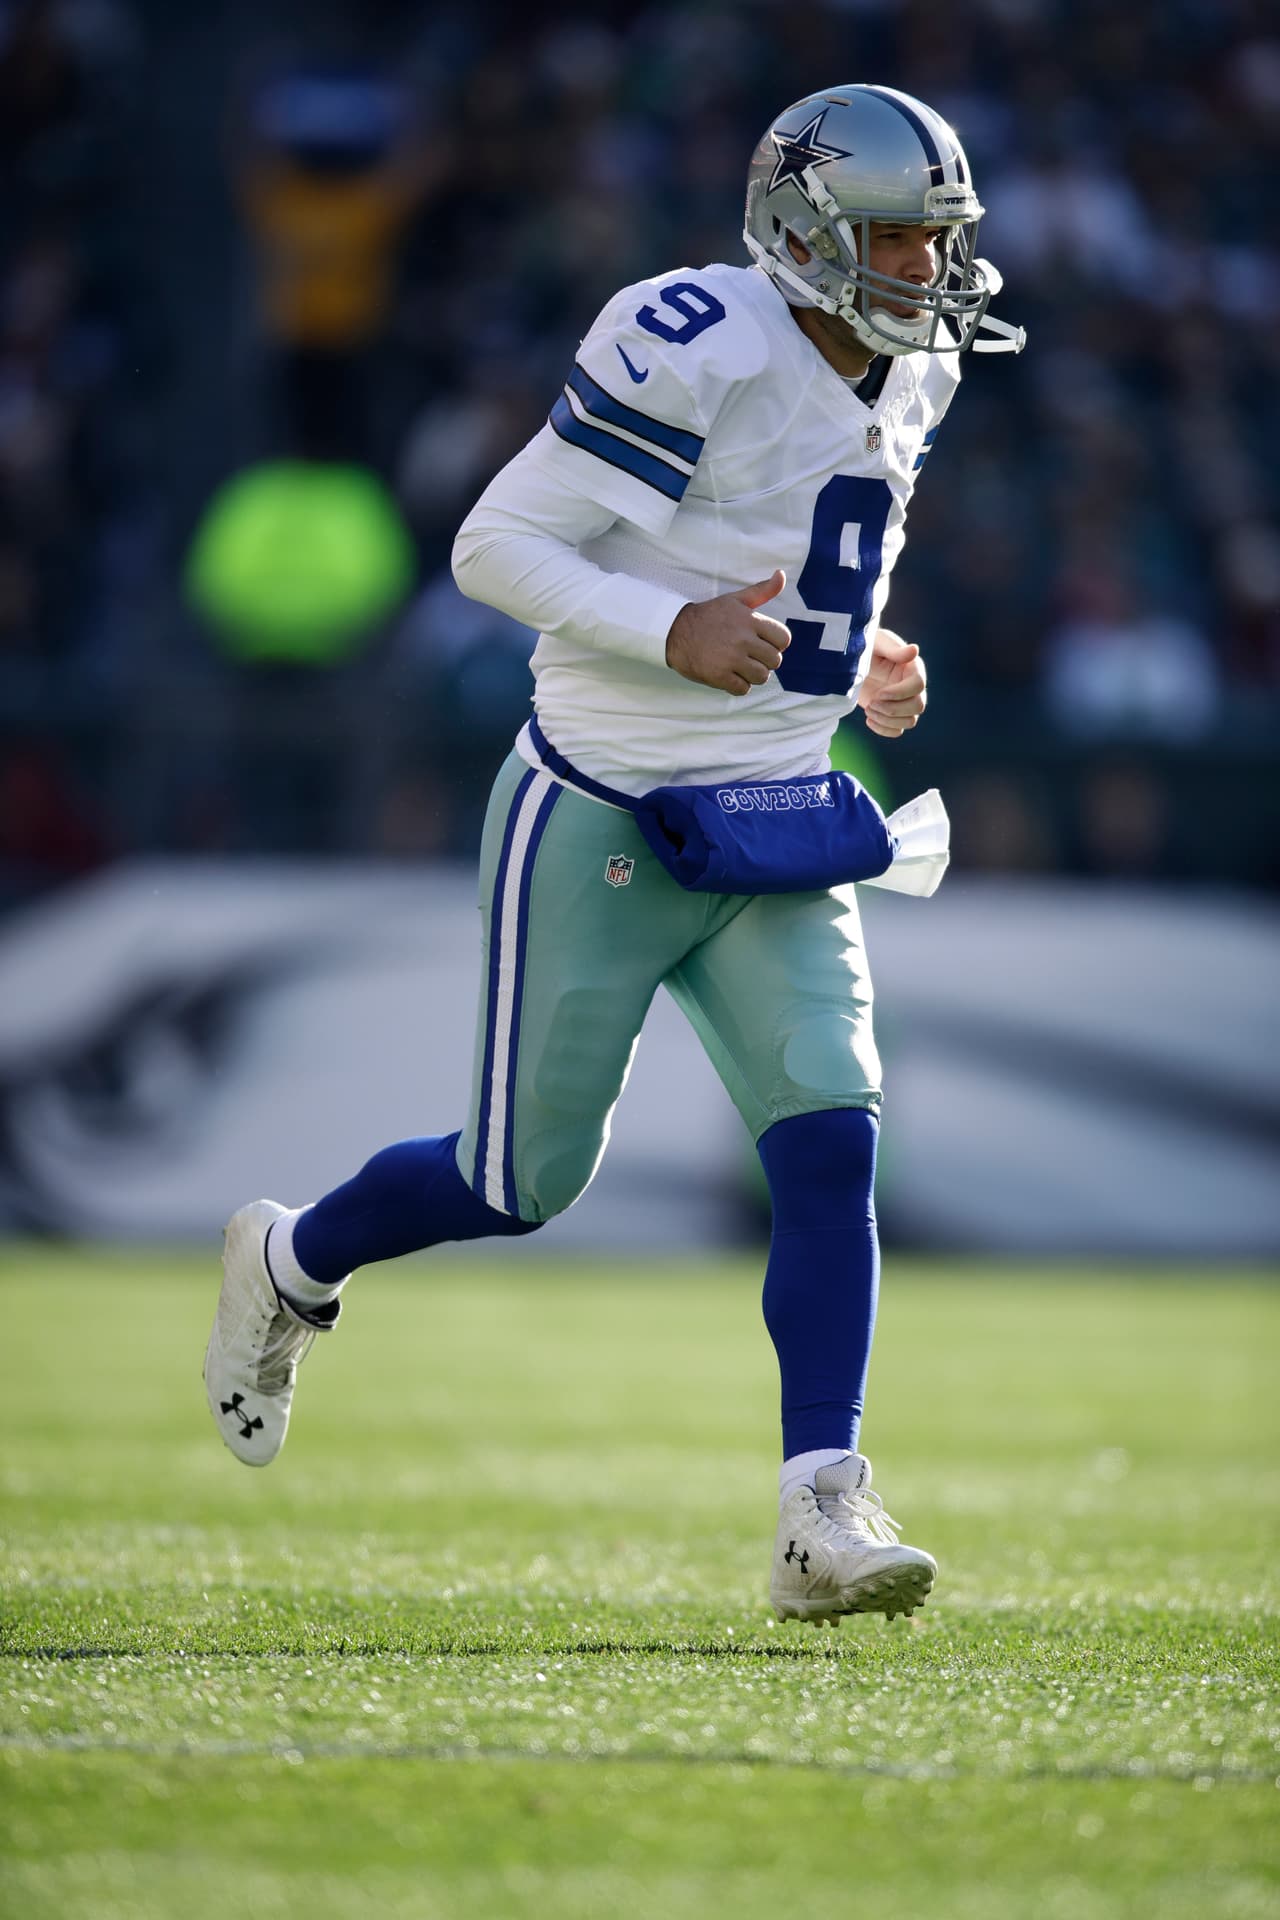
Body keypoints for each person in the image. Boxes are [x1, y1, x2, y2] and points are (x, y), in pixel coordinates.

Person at [204, 83, 1023, 1627]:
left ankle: (820, 1506)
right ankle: (293, 1260)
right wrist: (669, 631)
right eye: (900, 240)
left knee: (831, 1137)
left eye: (940, 239)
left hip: (775, 809)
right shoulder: (697, 336)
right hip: (605, 805)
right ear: (805, 234)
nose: (931, 271)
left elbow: (790, 556)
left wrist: (859, 658)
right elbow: (491, 547)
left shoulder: (917, 370)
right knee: (517, 1180)